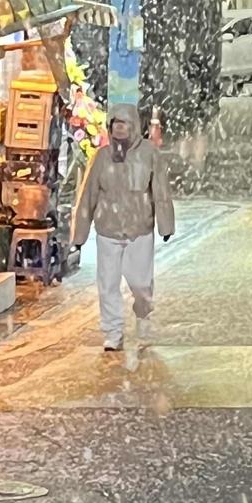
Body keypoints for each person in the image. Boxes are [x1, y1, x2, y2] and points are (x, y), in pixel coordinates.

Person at [73, 103, 175, 353]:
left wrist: (165, 225)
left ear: (133, 127)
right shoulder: (101, 158)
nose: (119, 130)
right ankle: (113, 331)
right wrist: (79, 234)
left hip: (139, 229)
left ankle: (143, 314)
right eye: (115, 125)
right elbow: (88, 196)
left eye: (124, 125)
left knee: (140, 283)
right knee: (107, 283)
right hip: (108, 230)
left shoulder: (150, 154)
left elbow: (160, 192)